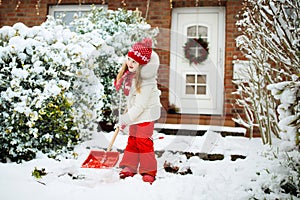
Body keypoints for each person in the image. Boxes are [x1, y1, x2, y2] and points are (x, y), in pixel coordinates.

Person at [114, 38, 161, 184]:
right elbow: (132, 100)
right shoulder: (131, 76)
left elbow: (140, 105)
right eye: (129, 59)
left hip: (146, 114)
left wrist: (126, 119)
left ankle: (148, 171)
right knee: (133, 140)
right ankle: (130, 166)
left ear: (142, 64)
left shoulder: (146, 81)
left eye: (134, 61)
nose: (130, 63)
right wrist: (127, 117)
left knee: (143, 142)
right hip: (136, 114)